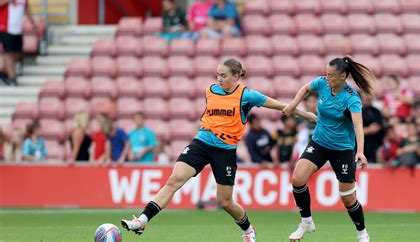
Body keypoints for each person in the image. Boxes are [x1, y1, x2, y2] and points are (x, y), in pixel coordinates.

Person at [121, 58, 316, 242]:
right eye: (217, 75)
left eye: (223, 75)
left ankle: (248, 230)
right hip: (201, 143)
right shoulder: (211, 91)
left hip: (225, 151)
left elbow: (280, 106)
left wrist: (304, 113)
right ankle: (142, 220)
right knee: (174, 180)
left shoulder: (246, 95)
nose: (219, 79)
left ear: (236, 76)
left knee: (225, 202)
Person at [282, 56, 374, 242]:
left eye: (331, 75)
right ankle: (306, 222)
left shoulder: (351, 98)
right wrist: (293, 105)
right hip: (319, 143)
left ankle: (362, 233)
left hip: (342, 149)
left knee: (348, 198)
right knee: (298, 179)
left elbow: (358, 126)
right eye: (326, 74)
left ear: (343, 76)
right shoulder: (323, 83)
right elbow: (306, 88)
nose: (327, 78)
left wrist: (360, 152)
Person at [0, 0, 38, 86]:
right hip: (5, 27)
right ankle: (12, 78)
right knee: (8, 53)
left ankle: (3, 73)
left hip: (17, 29)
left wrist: (33, 21)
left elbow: (27, 7)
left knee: (18, 54)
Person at [361, 94, 384, 163]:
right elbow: (351, 131)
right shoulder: (355, 111)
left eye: (370, 97)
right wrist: (368, 130)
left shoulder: (376, 111)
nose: (368, 99)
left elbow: (380, 125)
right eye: (366, 96)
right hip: (360, 146)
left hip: (375, 146)